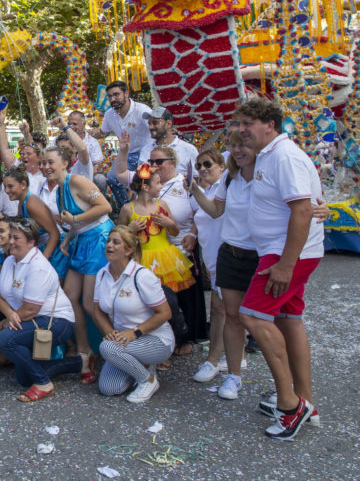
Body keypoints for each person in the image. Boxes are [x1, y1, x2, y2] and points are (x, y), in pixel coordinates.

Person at [234, 99, 325, 439]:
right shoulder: (269, 155)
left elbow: (302, 211)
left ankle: (290, 405)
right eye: (239, 123)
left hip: (286, 255)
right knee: (289, 320)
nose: (241, 130)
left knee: (253, 317)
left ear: (270, 125)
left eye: (248, 123)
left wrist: (285, 265)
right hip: (280, 252)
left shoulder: (284, 156)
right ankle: (306, 402)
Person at [0, 219, 86, 402]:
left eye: (16, 238)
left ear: (31, 242)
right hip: (26, 317)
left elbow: (31, 309)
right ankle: (80, 363)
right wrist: (10, 315)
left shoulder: (37, 266)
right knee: (24, 378)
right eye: (10, 236)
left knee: (5, 339)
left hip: (57, 321)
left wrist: (11, 319)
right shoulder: (11, 260)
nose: (10, 241)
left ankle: (43, 383)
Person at [44, 145, 113, 368]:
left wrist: (73, 222)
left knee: (90, 303)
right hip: (81, 240)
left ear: (65, 163)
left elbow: (105, 207)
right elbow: (77, 219)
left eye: (50, 162)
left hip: (98, 240)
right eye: (44, 163)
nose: (46, 167)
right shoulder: (60, 189)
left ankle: (119, 348)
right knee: (69, 296)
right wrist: (69, 236)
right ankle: (85, 350)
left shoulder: (77, 181)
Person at [92, 226, 175, 403]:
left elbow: (165, 313)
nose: (109, 246)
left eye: (116, 243)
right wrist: (108, 331)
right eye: (108, 241)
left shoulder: (142, 276)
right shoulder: (102, 274)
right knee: (109, 389)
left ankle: (148, 380)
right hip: (122, 341)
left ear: (129, 250)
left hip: (154, 339)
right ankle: (140, 366)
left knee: (107, 348)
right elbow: (97, 310)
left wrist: (135, 332)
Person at [187, 148, 230, 383]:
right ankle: (236, 355)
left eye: (208, 164)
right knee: (227, 311)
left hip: (227, 257)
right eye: (199, 165)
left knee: (221, 310)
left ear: (222, 166)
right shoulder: (206, 189)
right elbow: (201, 216)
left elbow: (215, 212)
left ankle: (213, 360)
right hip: (213, 260)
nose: (202, 169)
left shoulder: (226, 186)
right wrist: (193, 234)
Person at [118, 164, 194, 295]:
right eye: (158, 183)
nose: (161, 186)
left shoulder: (161, 205)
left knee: (167, 295)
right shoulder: (127, 209)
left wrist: (169, 223)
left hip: (164, 259)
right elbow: (119, 237)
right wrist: (130, 229)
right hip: (140, 259)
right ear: (146, 187)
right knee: (143, 294)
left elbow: (175, 232)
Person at [93, 81, 153, 204]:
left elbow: (156, 128)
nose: (112, 99)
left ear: (126, 93)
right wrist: (80, 132)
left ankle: (146, 207)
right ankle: (126, 207)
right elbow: (103, 133)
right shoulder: (110, 114)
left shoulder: (142, 111)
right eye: (109, 96)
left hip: (147, 154)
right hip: (127, 154)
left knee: (144, 181)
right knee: (112, 178)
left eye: (116, 94)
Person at [0, 169, 61, 262]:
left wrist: (42, 261)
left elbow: (55, 234)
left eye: (10, 186)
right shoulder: (21, 202)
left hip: (54, 250)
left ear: (23, 184)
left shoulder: (31, 204)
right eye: (5, 187)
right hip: (39, 249)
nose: (6, 190)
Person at [137, 107, 199, 179]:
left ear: (168, 124)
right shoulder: (145, 150)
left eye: (155, 123)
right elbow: (141, 180)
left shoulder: (188, 150)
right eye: (149, 123)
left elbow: (198, 180)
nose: (151, 127)